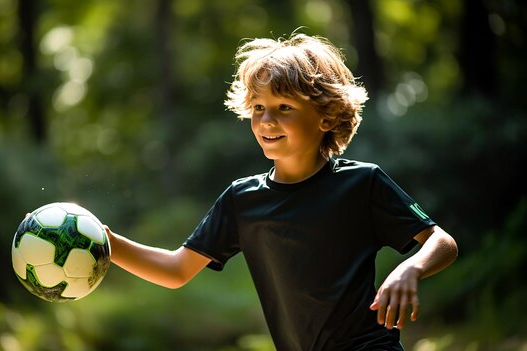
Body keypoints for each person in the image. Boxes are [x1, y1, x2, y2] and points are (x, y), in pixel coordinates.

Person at [104, 33, 458, 350]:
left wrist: (410, 268)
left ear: (327, 116)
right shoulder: (241, 200)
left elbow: (442, 243)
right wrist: (107, 243)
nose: (267, 120)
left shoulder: (362, 183)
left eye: (284, 107)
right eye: (258, 108)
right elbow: (176, 269)